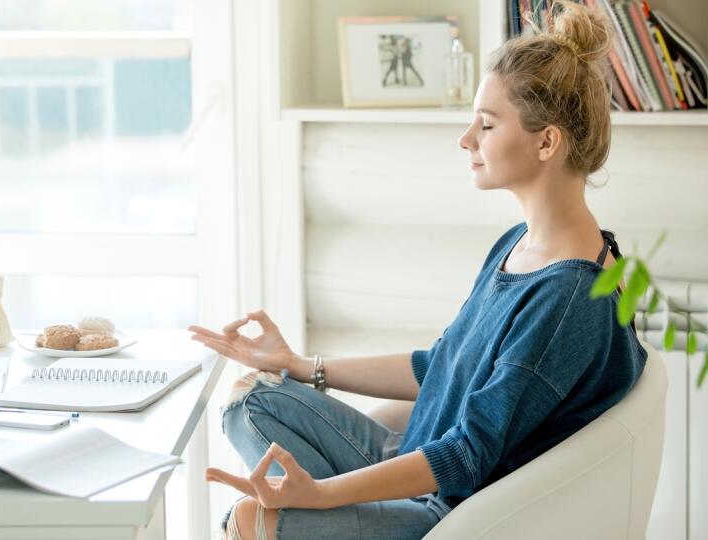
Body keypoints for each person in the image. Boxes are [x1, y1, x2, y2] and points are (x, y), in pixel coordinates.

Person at [188, 2, 648, 538]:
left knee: (249, 521)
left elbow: (469, 455)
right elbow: (439, 368)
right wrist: (300, 362)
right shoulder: (521, 243)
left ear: (547, 141)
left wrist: (320, 495)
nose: (466, 139)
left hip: (450, 511)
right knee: (252, 401)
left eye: (487, 124)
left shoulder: (569, 298)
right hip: (413, 456)